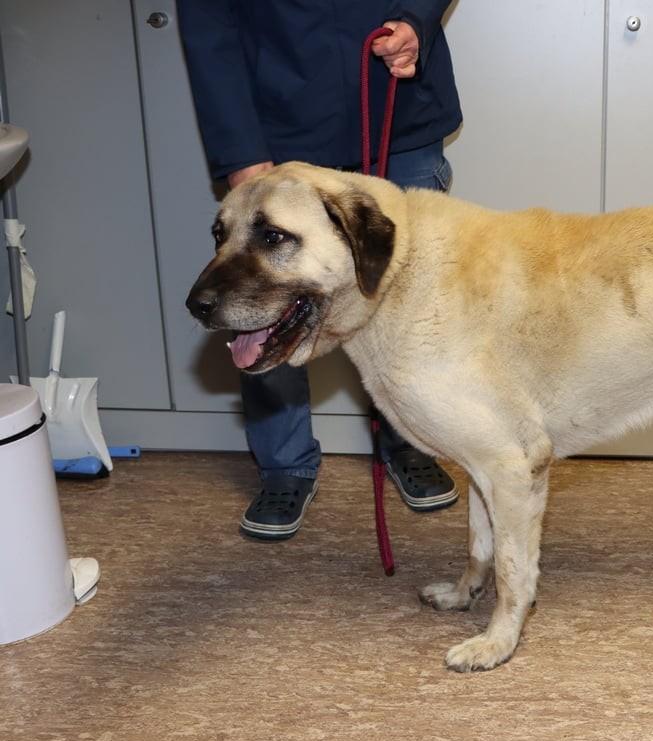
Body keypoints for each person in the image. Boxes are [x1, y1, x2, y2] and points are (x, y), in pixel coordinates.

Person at [177, 1, 462, 540]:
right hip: (278, 116)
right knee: (264, 291)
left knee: (413, 296)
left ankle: (413, 441)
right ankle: (285, 465)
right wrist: (241, 148)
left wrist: (416, 21)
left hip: (395, 105)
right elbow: (210, 19)